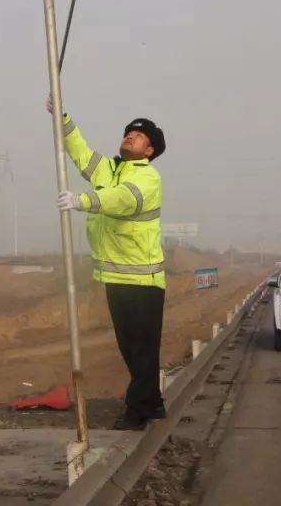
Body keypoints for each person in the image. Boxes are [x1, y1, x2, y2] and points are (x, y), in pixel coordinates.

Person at [51, 100, 167, 430]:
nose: (131, 136)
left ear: (150, 150)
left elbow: (123, 201)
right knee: (131, 349)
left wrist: (83, 201)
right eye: (129, 132)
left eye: (139, 135)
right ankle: (153, 404)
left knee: (142, 349)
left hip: (143, 281)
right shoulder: (110, 170)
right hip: (116, 276)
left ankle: (137, 411)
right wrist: (63, 117)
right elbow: (80, 152)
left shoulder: (148, 178)